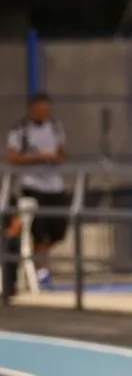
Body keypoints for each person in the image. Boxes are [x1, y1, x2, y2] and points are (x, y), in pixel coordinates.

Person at [5, 92, 69, 287]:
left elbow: (62, 153)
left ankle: (39, 259)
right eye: (40, 110)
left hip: (54, 185)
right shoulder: (20, 130)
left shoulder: (56, 127)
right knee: (39, 230)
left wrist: (55, 158)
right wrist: (38, 158)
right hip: (33, 185)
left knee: (58, 230)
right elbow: (13, 157)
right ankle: (42, 270)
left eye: (46, 110)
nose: (43, 114)